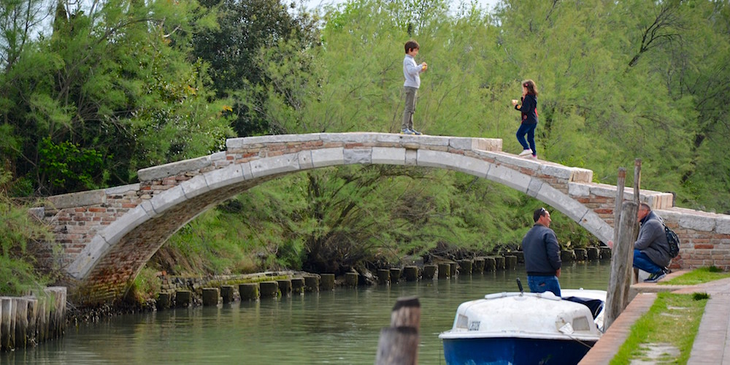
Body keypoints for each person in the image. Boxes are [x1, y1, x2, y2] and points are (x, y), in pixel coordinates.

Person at [522, 207, 562, 297]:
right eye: (548, 217)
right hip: (546, 277)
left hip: (531, 278)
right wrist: (557, 268)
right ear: (541, 217)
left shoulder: (527, 235)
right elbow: (553, 254)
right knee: (555, 305)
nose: (550, 220)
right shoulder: (548, 233)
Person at [633, 203, 671, 282]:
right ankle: (658, 271)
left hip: (661, 256)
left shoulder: (651, 224)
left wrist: (625, 246)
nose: (635, 213)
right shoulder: (649, 221)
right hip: (658, 254)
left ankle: (658, 272)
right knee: (629, 255)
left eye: (637, 211)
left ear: (645, 211)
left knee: (631, 255)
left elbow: (642, 244)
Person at [402, 40, 427, 135]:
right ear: (410, 50)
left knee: (412, 108)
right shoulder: (407, 60)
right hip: (410, 86)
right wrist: (420, 66)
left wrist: (421, 70)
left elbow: (414, 72)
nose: (416, 53)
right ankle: (404, 127)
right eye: (415, 50)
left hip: (414, 86)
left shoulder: (411, 60)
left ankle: (410, 127)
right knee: (408, 107)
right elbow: (411, 71)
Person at [511, 80, 539, 159]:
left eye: (523, 88)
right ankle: (534, 154)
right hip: (534, 120)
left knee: (519, 134)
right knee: (530, 137)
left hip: (528, 120)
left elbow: (525, 109)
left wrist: (516, 106)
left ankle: (526, 148)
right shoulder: (533, 97)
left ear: (526, 88)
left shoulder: (527, 98)